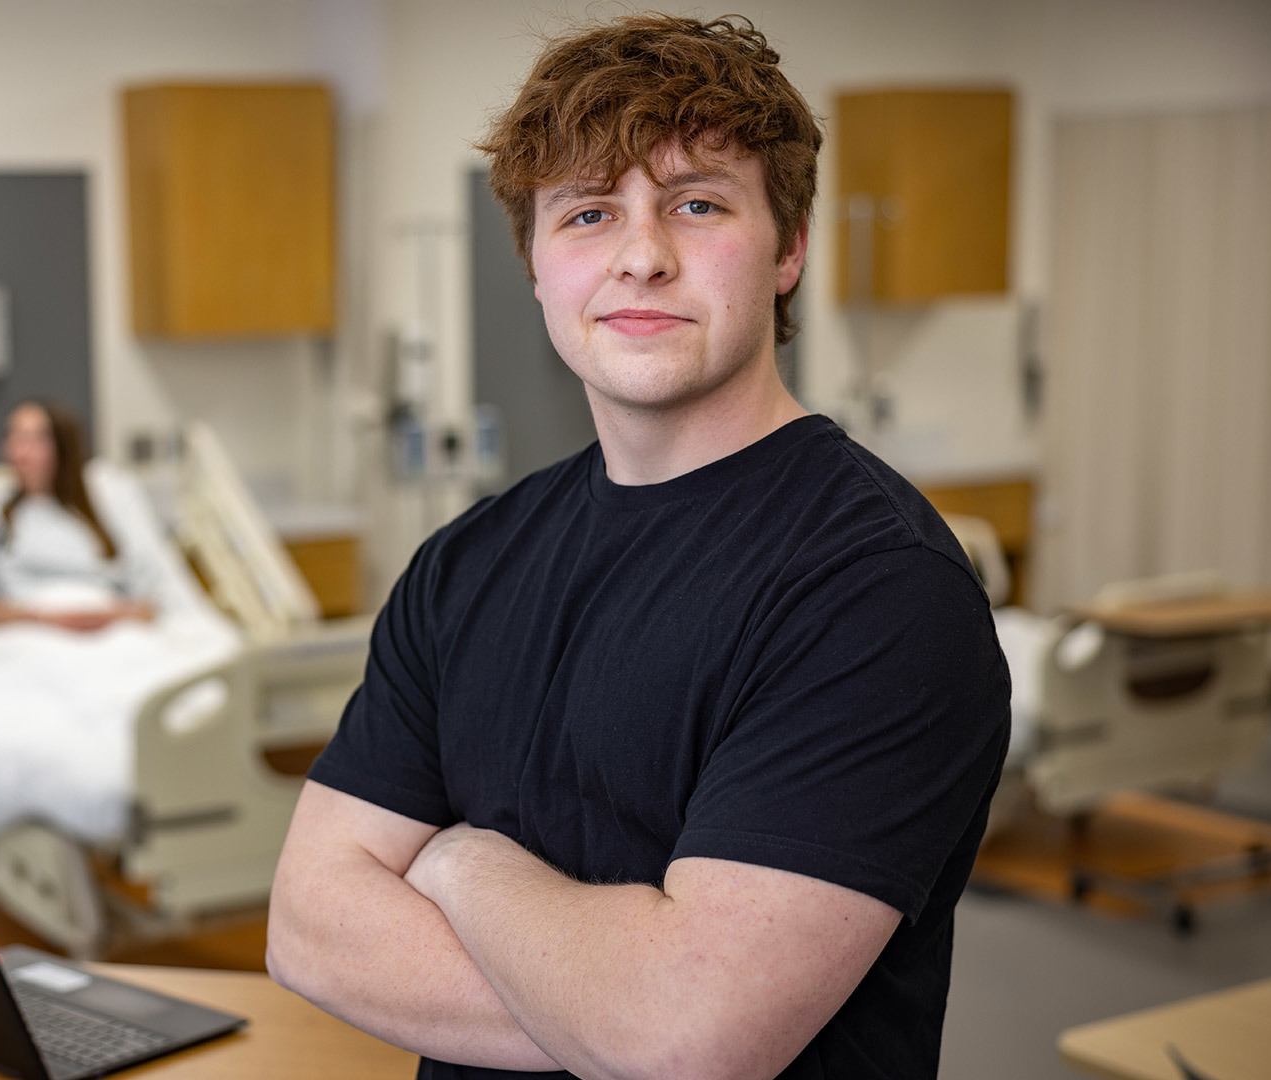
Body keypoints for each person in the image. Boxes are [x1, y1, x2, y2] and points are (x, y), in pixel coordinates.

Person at [266, 15, 1009, 1080]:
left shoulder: (876, 590)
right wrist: (615, 1011)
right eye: (587, 213)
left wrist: (461, 863)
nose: (642, 257)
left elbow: (687, 1042)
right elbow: (307, 927)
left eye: (697, 205)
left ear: (789, 247)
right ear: (534, 261)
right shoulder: (465, 565)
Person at [0, 400, 155, 633]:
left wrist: (102, 617)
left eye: (33, 439)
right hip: (33, 633)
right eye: (13, 437)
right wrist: (43, 620)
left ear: (62, 448)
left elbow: (147, 606)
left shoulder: (100, 516)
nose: (18, 451)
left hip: (109, 633)